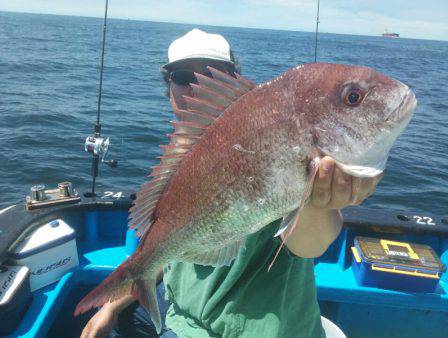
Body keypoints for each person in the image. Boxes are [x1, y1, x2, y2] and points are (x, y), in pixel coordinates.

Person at [81, 29, 382, 338]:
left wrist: (320, 201)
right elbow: (169, 248)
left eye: (213, 74)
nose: (198, 85)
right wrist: (110, 308)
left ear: (235, 80)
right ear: (169, 87)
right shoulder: (182, 161)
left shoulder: (272, 137)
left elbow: (309, 244)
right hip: (178, 312)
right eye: (184, 76)